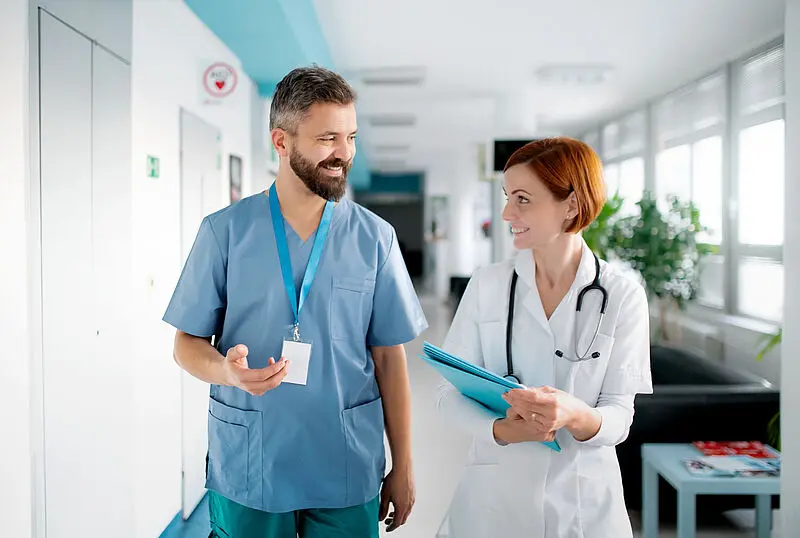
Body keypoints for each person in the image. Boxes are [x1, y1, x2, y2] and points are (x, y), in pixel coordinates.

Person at [164, 66, 428, 538]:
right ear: (281, 142)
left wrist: (403, 464)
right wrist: (226, 371)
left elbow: (390, 359)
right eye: (328, 138)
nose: (343, 153)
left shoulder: (375, 238)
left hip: (345, 462)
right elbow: (186, 342)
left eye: (351, 137)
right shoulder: (224, 233)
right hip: (251, 463)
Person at [435, 138, 652, 538]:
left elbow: (621, 415)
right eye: (507, 197)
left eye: (522, 199)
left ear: (570, 204)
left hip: (583, 505)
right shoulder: (488, 285)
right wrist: (502, 430)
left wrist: (575, 414)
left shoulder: (622, 295)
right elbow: (446, 396)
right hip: (493, 502)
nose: (506, 213)